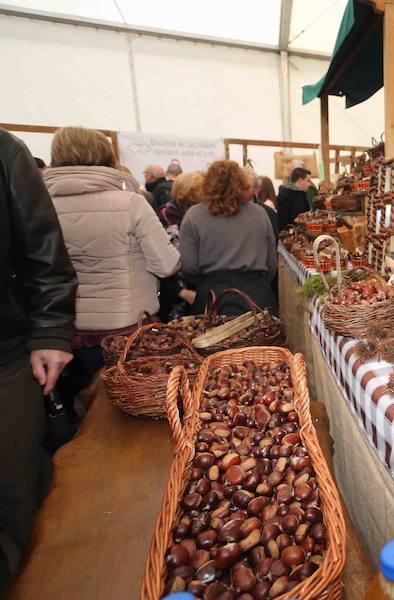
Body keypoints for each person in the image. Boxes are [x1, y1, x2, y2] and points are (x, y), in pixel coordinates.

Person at [45, 127, 181, 382]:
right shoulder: (130, 202)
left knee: (90, 401)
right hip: (128, 325)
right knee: (133, 399)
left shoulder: (40, 206)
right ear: (106, 156)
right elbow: (166, 265)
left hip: (68, 327)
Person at [0, 128, 77, 571]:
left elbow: (44, 250)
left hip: (4, 358)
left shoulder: (4, 152)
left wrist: (50, 330)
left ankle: (46, 576)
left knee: (21, 489)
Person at [180, 160, 277, 316]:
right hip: (256, 294)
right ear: (242, 182)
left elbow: (188, 267)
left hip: (212, 296)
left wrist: (207, 282)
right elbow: (272, 263)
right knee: (263, 339)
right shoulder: (259, 213)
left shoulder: (193, 215)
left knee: (212, 339)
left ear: (207, 183)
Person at [158, 171, 204, 320]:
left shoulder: (200, 214)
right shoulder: (167, 215)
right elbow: (166, 256)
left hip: (196, 287)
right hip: (176, 291)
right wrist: (180, 291)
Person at [276, 167, 315, 231]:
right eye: (308, 180)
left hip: (284, 233)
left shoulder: (283, 192)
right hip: (295, 235)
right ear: (300, 181)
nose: (309, 184)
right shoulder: (299, 196)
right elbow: (301, 221)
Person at [244, 168, 279, 236]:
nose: (240, 190)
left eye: (247, 187)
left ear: (257, 188)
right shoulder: (229, 210)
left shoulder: (267, 212)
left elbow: (273, 241)